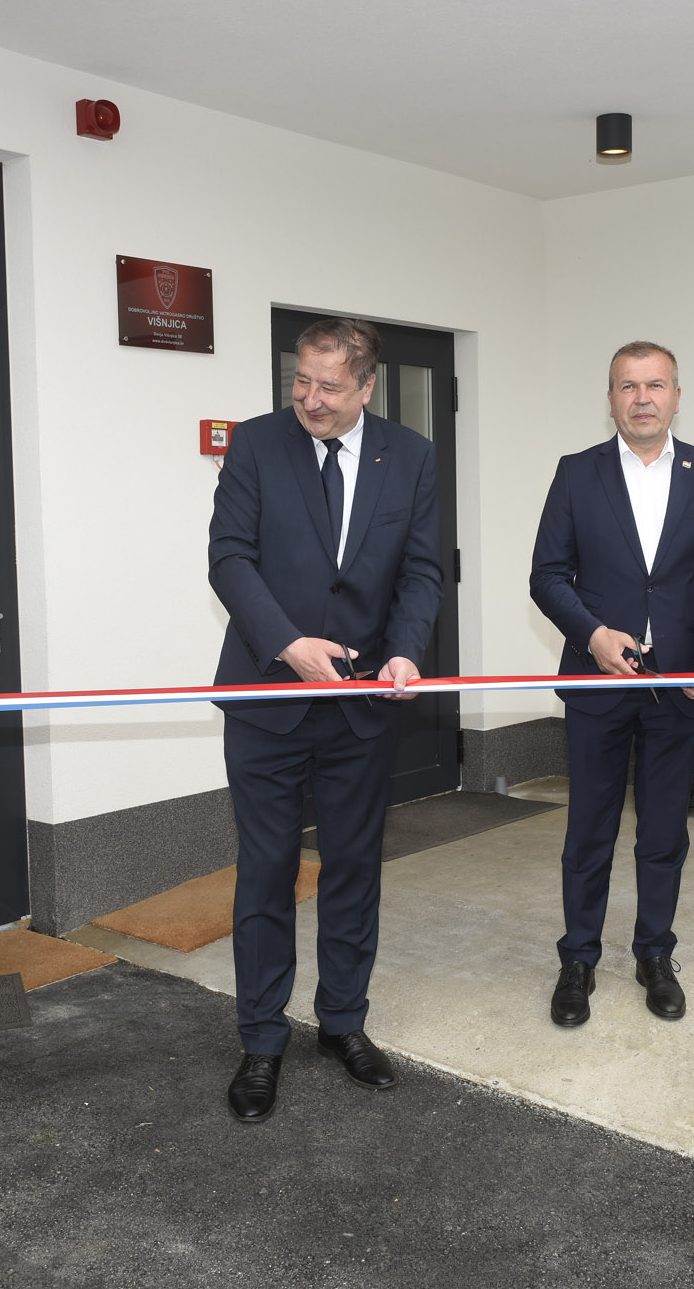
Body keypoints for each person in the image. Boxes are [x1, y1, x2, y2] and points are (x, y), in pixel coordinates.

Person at [207, 317, 443, 1121]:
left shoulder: (410, 456)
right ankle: (261, 1040)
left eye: (330, 386)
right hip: (267, 699)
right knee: (267, 870)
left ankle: (343, 1021)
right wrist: (288, 644)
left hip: (362, 707)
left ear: (366, 387)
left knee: (353, 868)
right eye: (301, 381)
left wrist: (406, 651)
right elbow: (229, 558)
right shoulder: (256, 444)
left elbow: (420, 571)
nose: (310, 398)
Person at [528, 341, 694, 1027]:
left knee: (663, 831)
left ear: (677, 396)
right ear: (611, 399)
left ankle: (655, 954)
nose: (643, 398)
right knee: (588, 831)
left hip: (679, 687)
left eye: (655, 385)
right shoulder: (577, 473)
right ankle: (578, 960)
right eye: (628, 386)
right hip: (598, 684)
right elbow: (547, 576)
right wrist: (593, 635)